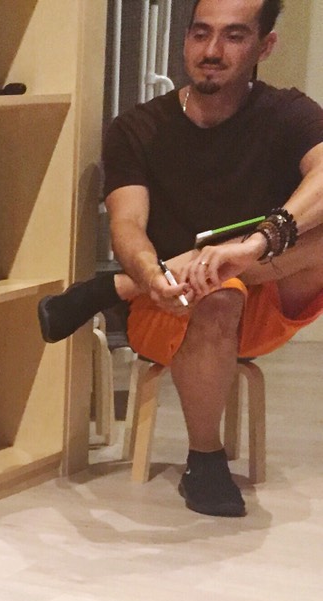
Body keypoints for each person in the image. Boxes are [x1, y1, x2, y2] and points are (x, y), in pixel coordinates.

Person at [37, 0, 323, 516]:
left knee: (235, 276)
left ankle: (112, 287)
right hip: (167, 304)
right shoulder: (137, 128)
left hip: (264, 295)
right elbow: (127, 225)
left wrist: (255, 245)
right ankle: (204, 461)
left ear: (265, 46)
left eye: (233, 36)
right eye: (200, 33)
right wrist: (150, 274)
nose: (211, 50)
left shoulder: (288, 112)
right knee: (219, 294)